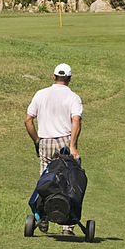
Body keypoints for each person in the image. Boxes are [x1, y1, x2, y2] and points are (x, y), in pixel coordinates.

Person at [25, 63, 83, 235]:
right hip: (64, 142)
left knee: (46, 181)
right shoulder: (73, 97)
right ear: (70, 78)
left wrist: (37, 140)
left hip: (45, 141)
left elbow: (28, 120)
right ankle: (67, 225)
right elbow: (76, 121)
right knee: (69, 181)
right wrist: (72, 145)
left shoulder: (41, 94)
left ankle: (41, 217)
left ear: (53, 76)